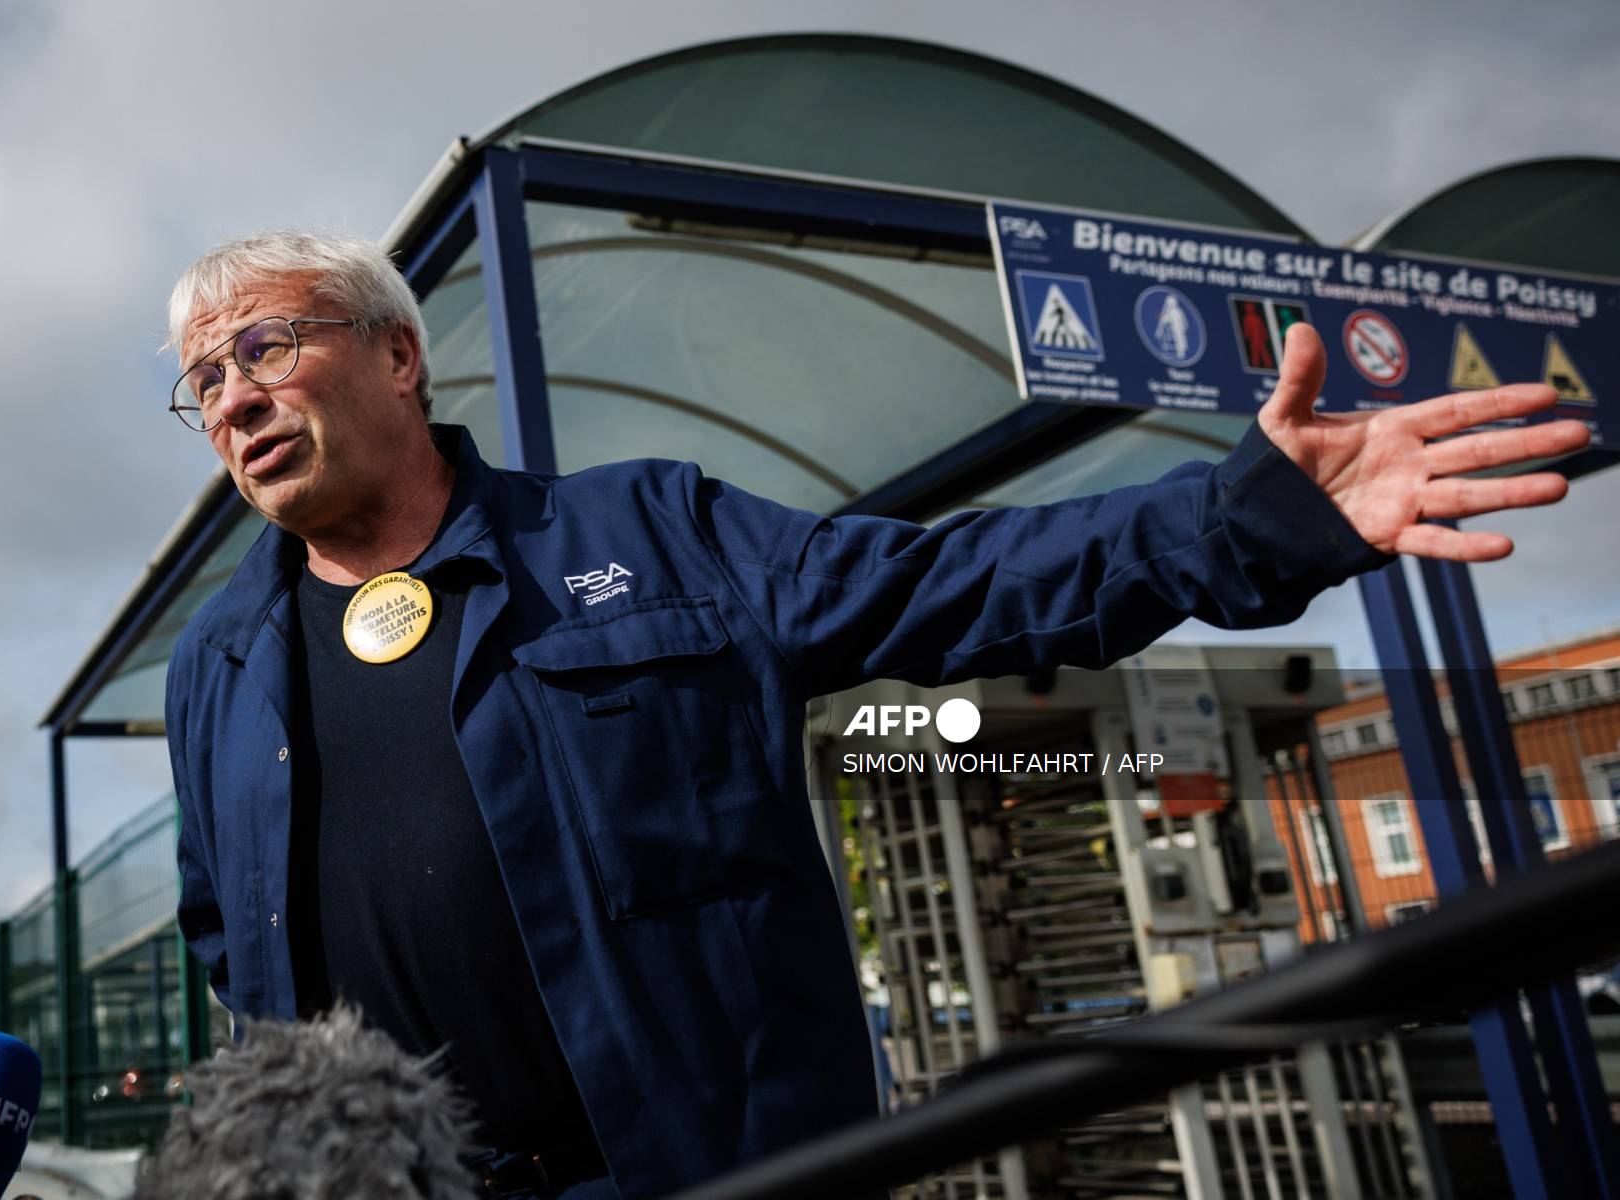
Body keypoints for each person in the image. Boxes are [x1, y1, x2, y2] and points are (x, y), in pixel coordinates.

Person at [163, 230, 1586, 1200]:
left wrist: (1252, 522)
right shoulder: (215, 669)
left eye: (268, 346)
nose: (233, 399)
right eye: (204, 382)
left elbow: (957, 585)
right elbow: (231, 937)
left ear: (400, 358)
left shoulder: (653, 535)